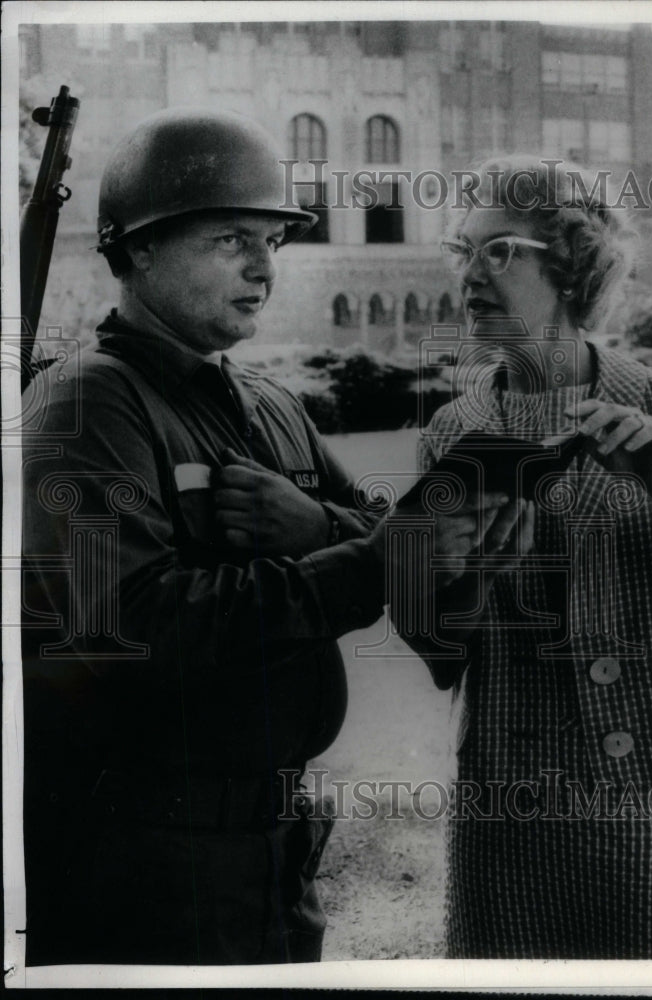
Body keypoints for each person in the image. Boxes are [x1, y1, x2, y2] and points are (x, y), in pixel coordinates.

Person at [20, 107, 516, 966]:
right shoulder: (86, 404)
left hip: (277, 851)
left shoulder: (269, 404)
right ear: (138, 249)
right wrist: (370, 558)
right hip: (140, 864)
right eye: (229, 241)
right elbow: (131, 624)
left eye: (273, 243)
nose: (262, 268)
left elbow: (378, 528)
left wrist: (319, 526)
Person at [398, 155, 652, 959]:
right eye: (463, 251)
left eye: (498, 252)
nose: (470, 276)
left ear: (570, 263)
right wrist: (458, 580)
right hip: (515, 794)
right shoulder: (450, 434)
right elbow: (435, 649)